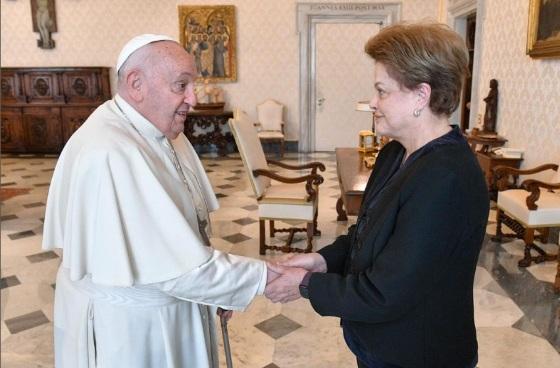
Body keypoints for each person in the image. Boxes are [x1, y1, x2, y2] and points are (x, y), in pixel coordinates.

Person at [43, 34, 277, 367]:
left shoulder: (161, 130)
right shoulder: (111, 151)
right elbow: (176, 270)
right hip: (134, 330)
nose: (192, 99)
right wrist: (263, 278)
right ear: (136, 83)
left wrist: (220, 289)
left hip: (171, 307)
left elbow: (181, 237)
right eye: (181, 86)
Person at [265, 22, 489, 368]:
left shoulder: (446, 179)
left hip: (420, 354)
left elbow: (387, 291)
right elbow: (369, 237)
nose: (372, 102)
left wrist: (307, 285)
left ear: (421, 95)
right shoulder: (394, 154)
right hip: (383, 346)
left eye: (382, 91)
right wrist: (321, 261)